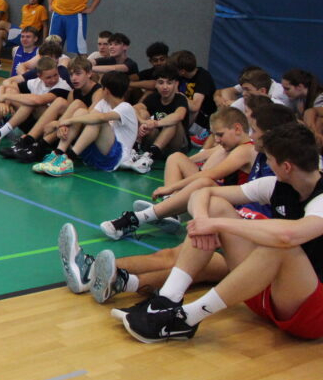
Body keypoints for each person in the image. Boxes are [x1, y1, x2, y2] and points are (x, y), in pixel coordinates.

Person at [60, 102, 297, 304]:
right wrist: (206, 221)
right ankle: (93, 273)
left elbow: (283, 233)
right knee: (170, 256)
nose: (251, 135)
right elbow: (211, 184)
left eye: (255, 130)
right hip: (236, 234)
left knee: (185, 263)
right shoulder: (263, 163)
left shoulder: (281, 175)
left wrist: (215, 222)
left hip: (252, 251)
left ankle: (114, 279)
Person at [119, 122, 323, 343]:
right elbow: (202, 192)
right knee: (215, 206)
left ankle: (186, 318)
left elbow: (289, 236)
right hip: (269, 291)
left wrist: (218, 225)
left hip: (310, 313)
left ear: (287, 167)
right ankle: (168, 299)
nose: (267, 164)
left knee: (280, 247)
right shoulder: (275, 185)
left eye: (270, 159)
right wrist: (203, 220)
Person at [101, 106, 257, 239]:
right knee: (176, 157)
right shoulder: (231, 146)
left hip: (233, 203)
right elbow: (204, 155)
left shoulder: (244, 150)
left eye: (220, 134)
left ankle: (139, 218)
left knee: (204, 182)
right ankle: (170, 210)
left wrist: (171, 187)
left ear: (237, 129)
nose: (216, 139)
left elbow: (211, 175)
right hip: (219, 190)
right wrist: (186, 163)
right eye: (214, 134)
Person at [31, 71, 136, 177]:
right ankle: (58, 154)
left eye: (101, 87)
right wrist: (63, 124)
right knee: (81, 112)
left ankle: (68, 159)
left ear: (106, 91)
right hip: (95, 153)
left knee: (97, 121)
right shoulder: (103, 103)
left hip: (114, 159)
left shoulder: (126, 107)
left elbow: (100, 118)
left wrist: (67, 121)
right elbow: (88, 118)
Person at [1, 54, 103, 163]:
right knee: (60, 102)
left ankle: (39, 145)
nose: (73, 78)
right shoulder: (73, 92)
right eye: (71, 74)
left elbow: (89, 118)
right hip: (67, 134)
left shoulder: (98, 92)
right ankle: (29, 141)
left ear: (89, 73)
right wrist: (61, 124)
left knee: (77, 105)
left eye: (78, 74)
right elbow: (67, 115)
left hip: (88, 137)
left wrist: (59, 123)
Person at [0, 56, 71, 151]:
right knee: (13, 92)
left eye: (56, 75)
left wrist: (6, 97)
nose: (53, 79)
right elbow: (8, 85)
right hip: (32, 124)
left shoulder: (63, 85)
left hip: (49, 129)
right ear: (39, 76)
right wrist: (4, 102)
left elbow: (38, 100)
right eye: (49, 77)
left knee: (30, 102)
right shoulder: (35, 82)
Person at [122, 64, 190, 173]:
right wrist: (144, 122)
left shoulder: (180, 99)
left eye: (169, 83)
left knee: (173, 121)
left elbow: (179, 115)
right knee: (143, 112)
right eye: (161, 83)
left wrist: (156, 124)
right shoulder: (153, 97)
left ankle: (149, 156)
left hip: (175, 146)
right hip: (155, 143)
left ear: (176, 84)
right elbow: (134, 108)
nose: (165, 87)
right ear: (156, 84)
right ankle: (135, 150)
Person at [0, 0, 50, 66]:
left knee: (2, 23)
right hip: (20, 32)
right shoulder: (24, 7)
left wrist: (44, 42)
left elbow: (45, 26)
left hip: (30, 33)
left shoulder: (41, 8)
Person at [172, 50, 217, 146]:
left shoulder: (203, 76)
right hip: (185, 114)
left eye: (174, 69)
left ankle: (201, 134)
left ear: (182, 71)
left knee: (191, 108)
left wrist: (179, 94)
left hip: (203, 119)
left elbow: (195, 106)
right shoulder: (179, 76)